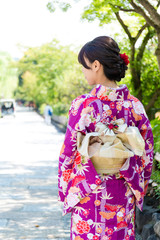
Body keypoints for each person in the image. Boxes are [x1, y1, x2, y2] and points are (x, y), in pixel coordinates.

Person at [58, 36, 153, 240]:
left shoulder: (83, 106)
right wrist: (139, 184)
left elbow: (68, 152)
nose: (83, 72)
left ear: (96, 65)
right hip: (122, 192)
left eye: (84, 66)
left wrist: (65, 188)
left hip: (88, 192)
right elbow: (147, 153)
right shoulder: (135, 106)